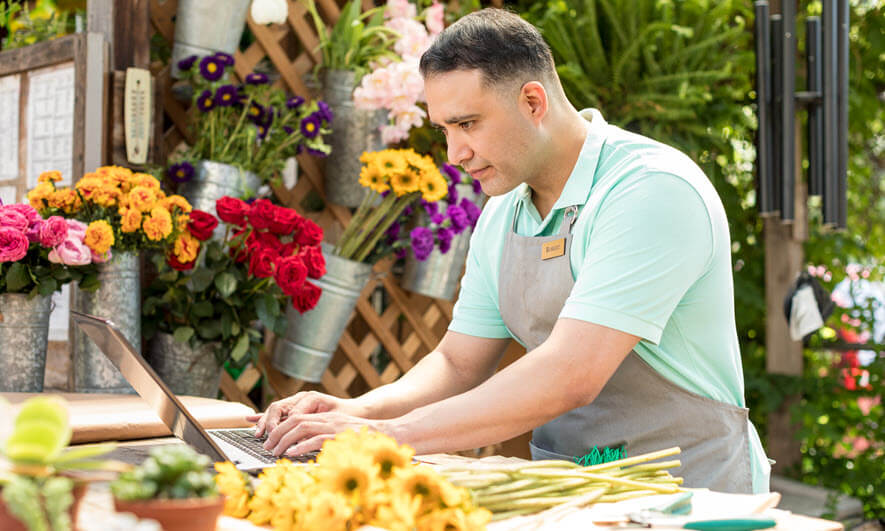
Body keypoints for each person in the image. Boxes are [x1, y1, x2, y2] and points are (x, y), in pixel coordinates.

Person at [250, 7, 770, 494]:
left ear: (532, 102)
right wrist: (355, 411)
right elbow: (457, 362)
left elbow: (570, 375)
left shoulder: (651, 190)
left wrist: (391, 435)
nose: (456, 153)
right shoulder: (504, 210)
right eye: (446, 129)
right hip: (571, 495)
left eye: (468, 124)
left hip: (691, 498)